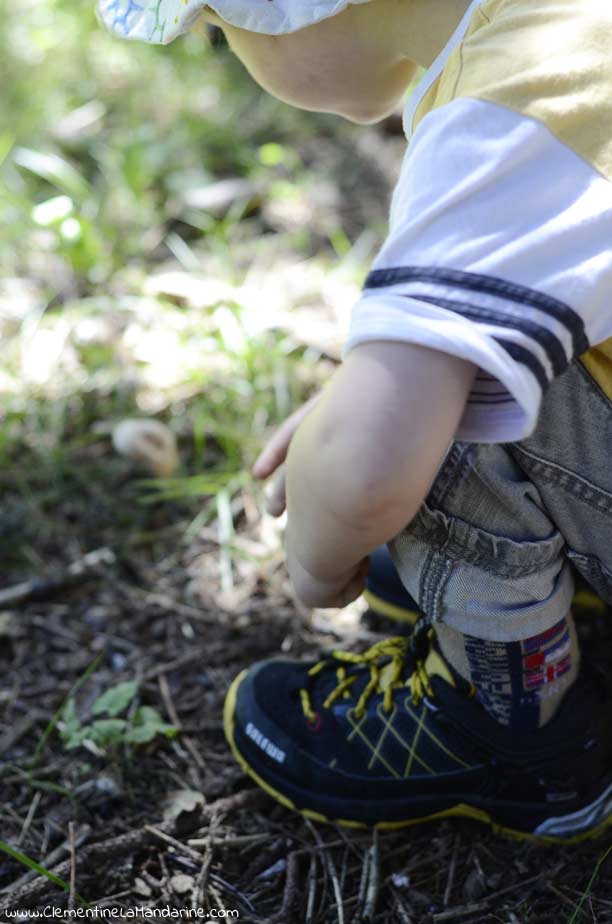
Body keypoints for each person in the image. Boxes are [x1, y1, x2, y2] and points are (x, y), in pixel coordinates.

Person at [100, 0, 612, 840]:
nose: (228, 51)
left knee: (444, 416)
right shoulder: (567, 32)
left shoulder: (503, 112)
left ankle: (520, 732)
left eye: (221, 32)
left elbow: (372, 464)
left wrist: (317, 555)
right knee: (447, 366)